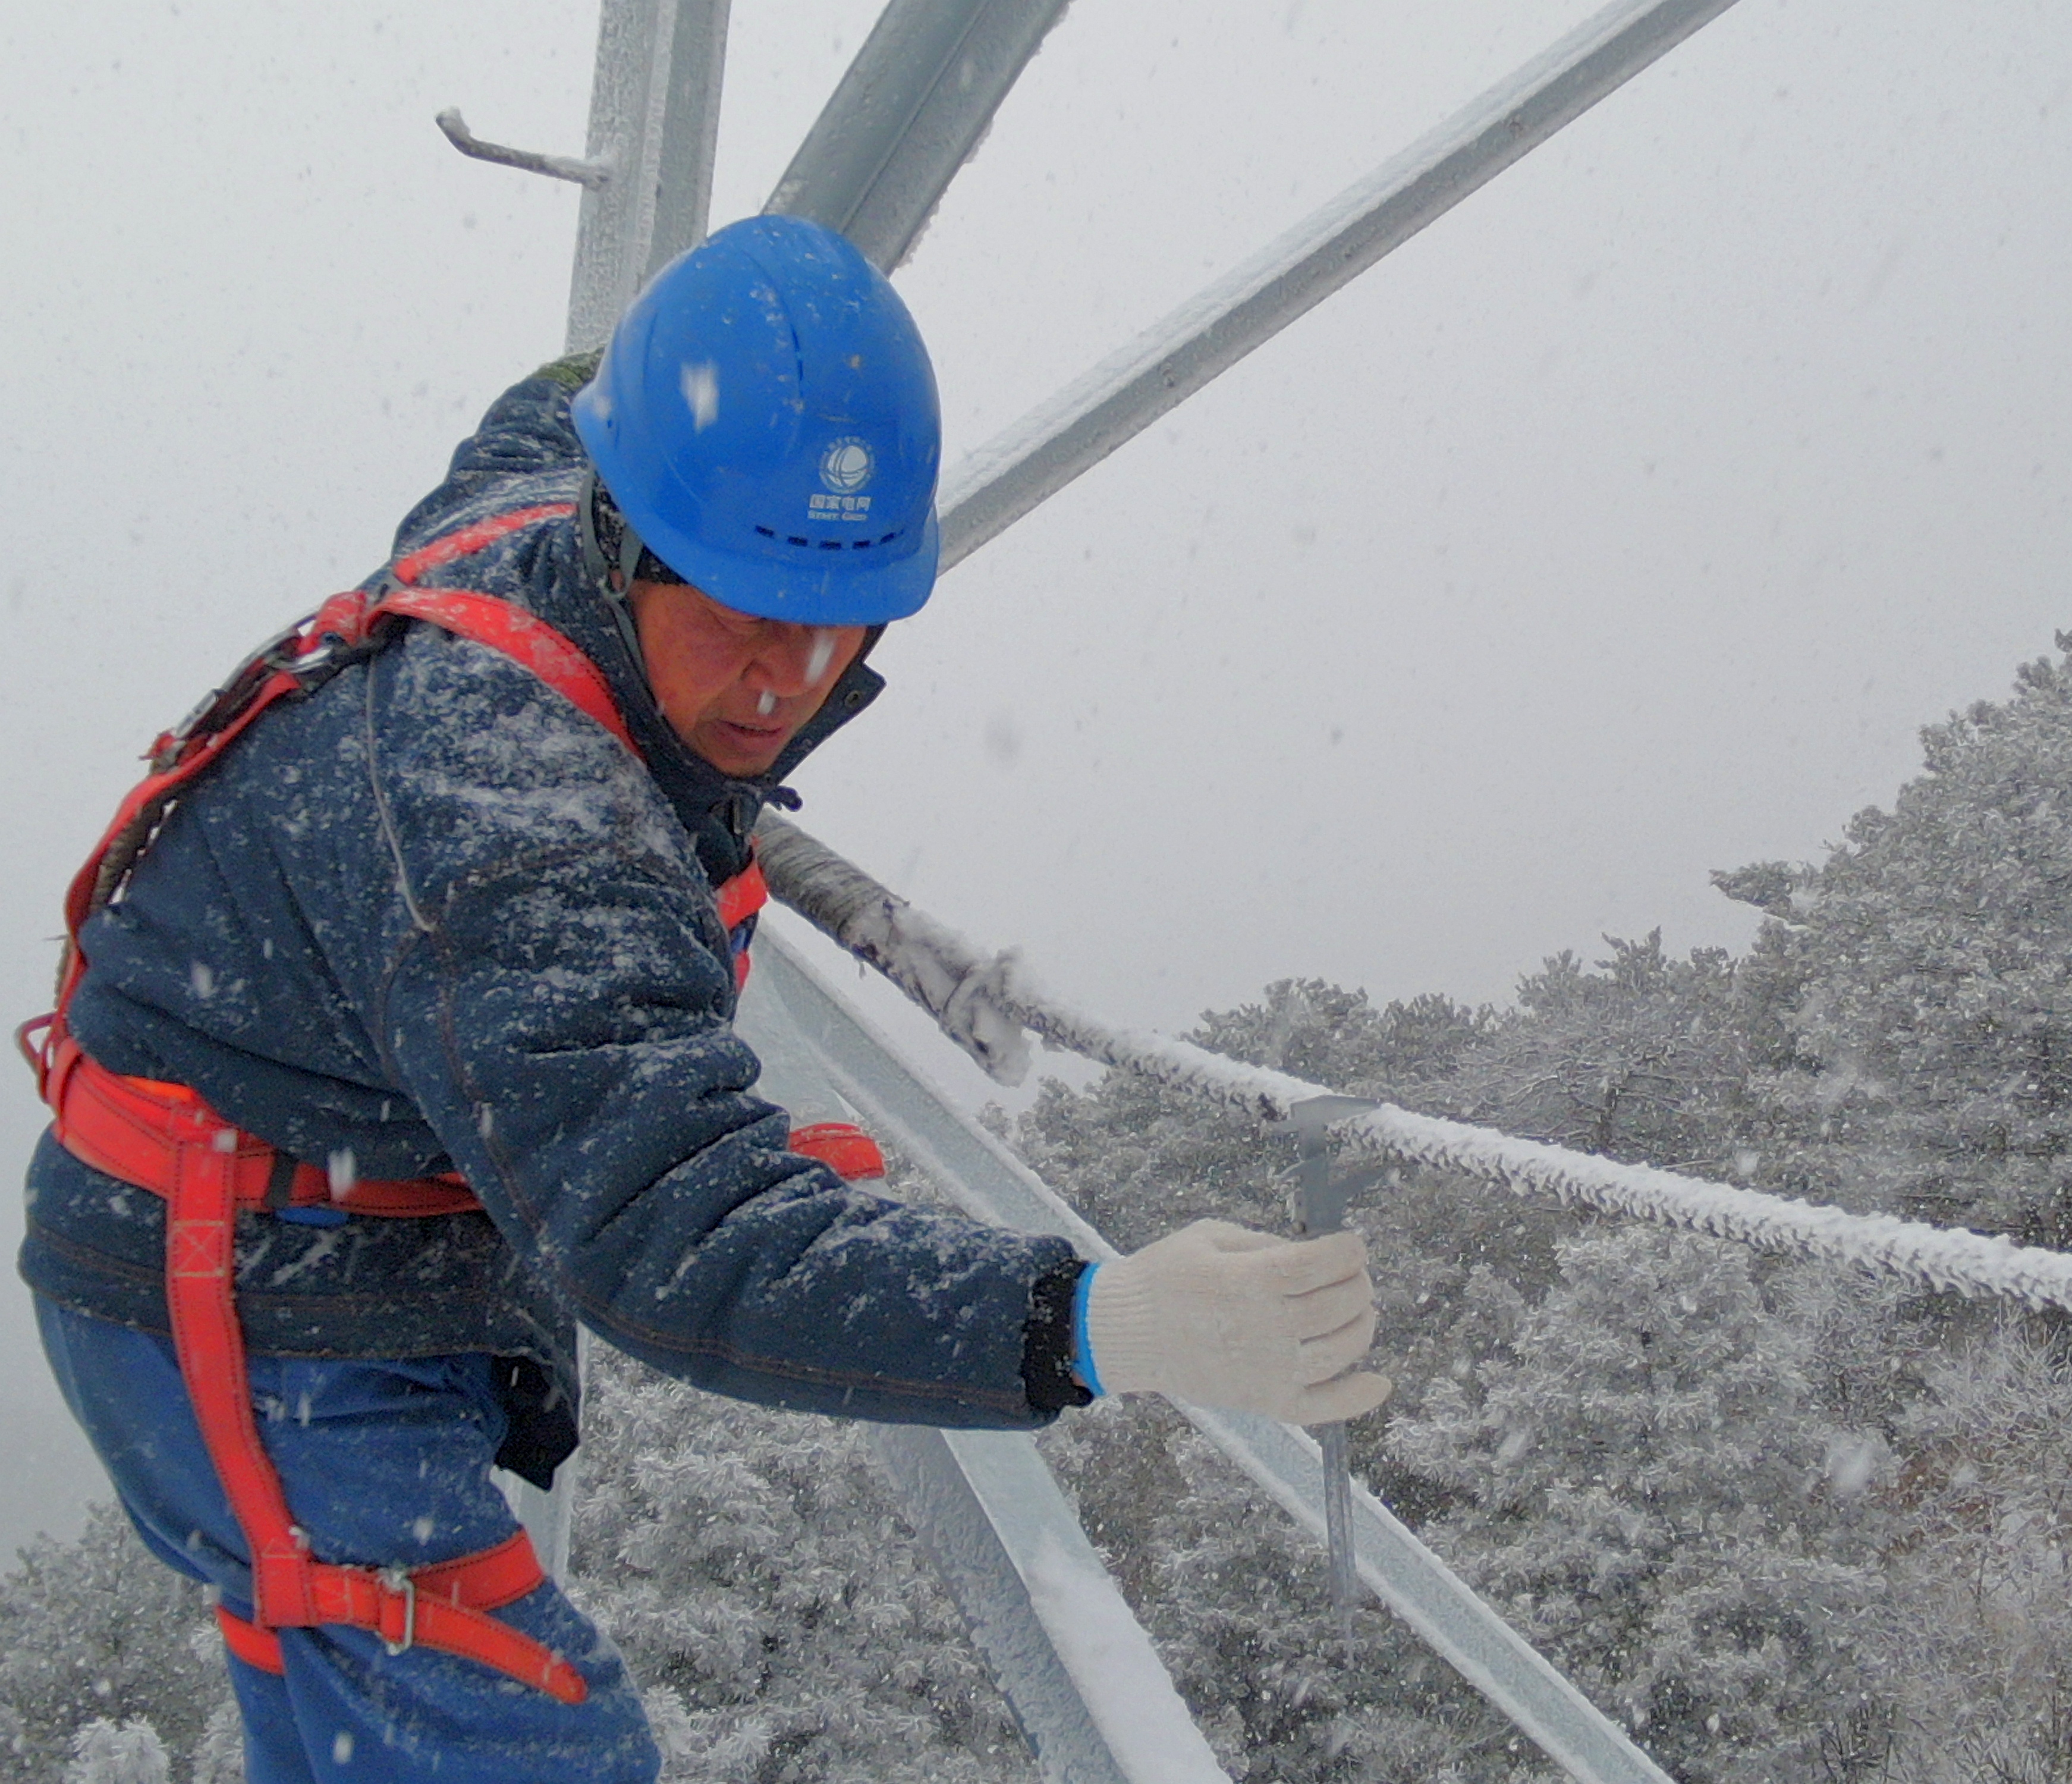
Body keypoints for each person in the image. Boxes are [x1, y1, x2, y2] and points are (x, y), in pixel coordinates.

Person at [17, 215, 1389, 1783]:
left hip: (330, 1210)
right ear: (619, 541)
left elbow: (560, 393)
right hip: (250, 1311)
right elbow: (685, 1235)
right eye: (733, 614)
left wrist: (756, 321)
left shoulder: (547, 494)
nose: (776, 684)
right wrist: (1090, 1317)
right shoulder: (517, 816)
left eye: (826, 625)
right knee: (536, 1760)